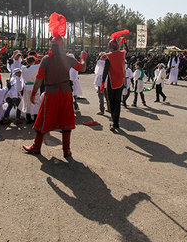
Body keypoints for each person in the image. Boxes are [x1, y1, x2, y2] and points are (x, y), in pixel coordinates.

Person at [23, 12, 87, 158]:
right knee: (65, 120)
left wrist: (33, 94)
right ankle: (66, 150)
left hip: (51, 94)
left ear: (52, 46)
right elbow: (82, 68)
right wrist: (83, 58)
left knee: (43, 119)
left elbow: (39, 79)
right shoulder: (68, 58)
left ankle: (36, 147)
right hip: (65, 93)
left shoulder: (46, 59)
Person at [100, 33, 127, 132]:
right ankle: (116, 122)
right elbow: (125, 50)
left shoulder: (108, 57)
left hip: (111, 83)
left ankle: (114, 121)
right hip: (120, 82)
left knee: (111, 103)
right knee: (117, 103)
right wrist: (125, 43)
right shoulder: (122, 54)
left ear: (110, 47)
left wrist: (102, 82)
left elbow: (105, 71)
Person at [21, 56, 41, 123]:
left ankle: (28, 117)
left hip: (26, 86)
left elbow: (23, 65)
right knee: (36, 101)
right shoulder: (35, 67)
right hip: (34, 86)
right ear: (34, 61)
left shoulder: (23, 68)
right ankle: (35, 117)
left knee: (27, 102)